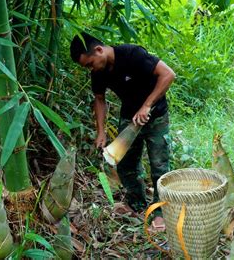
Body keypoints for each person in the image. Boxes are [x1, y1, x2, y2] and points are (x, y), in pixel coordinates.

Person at [70, 32, 175, 232]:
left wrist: (147, 106)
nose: (91, 69)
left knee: (159, 166)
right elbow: (99, 99)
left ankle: (161, 212)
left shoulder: (132, 54)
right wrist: (101, 132)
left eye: (90, 63)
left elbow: (168, 74)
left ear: (99, 50)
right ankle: (135, 203)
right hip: (129, 118)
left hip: (156, 115)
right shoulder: (99, 72)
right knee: (126, 164)